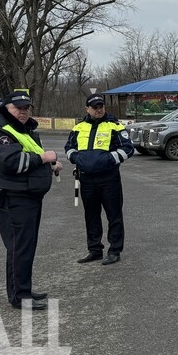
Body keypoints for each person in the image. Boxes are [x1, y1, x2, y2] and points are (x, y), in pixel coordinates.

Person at [0, 91, 62, 310]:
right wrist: (44, 158)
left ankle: (23, 290)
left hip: (27, 196)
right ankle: (20, 296)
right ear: (6, 108)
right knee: (20, 247)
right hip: (13, 197)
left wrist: (50, 164)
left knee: (23, 246)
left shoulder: (21, 129)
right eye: (18, 108)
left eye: (27, 108)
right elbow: (13, 162)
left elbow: (33, 155)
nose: (23, 111)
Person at [65, 93, 134, 266]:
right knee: (91, 215)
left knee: (114, 215)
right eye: (95, 107)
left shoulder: (115, 126)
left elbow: (128, 149)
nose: (98, 109)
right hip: (86, 180)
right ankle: (94, 250)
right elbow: (69, 148)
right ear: (87, 109)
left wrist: (108, 160)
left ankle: (114, 250)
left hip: (108, 178)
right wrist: (76, 158)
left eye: (101, 106)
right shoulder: (78, 128)